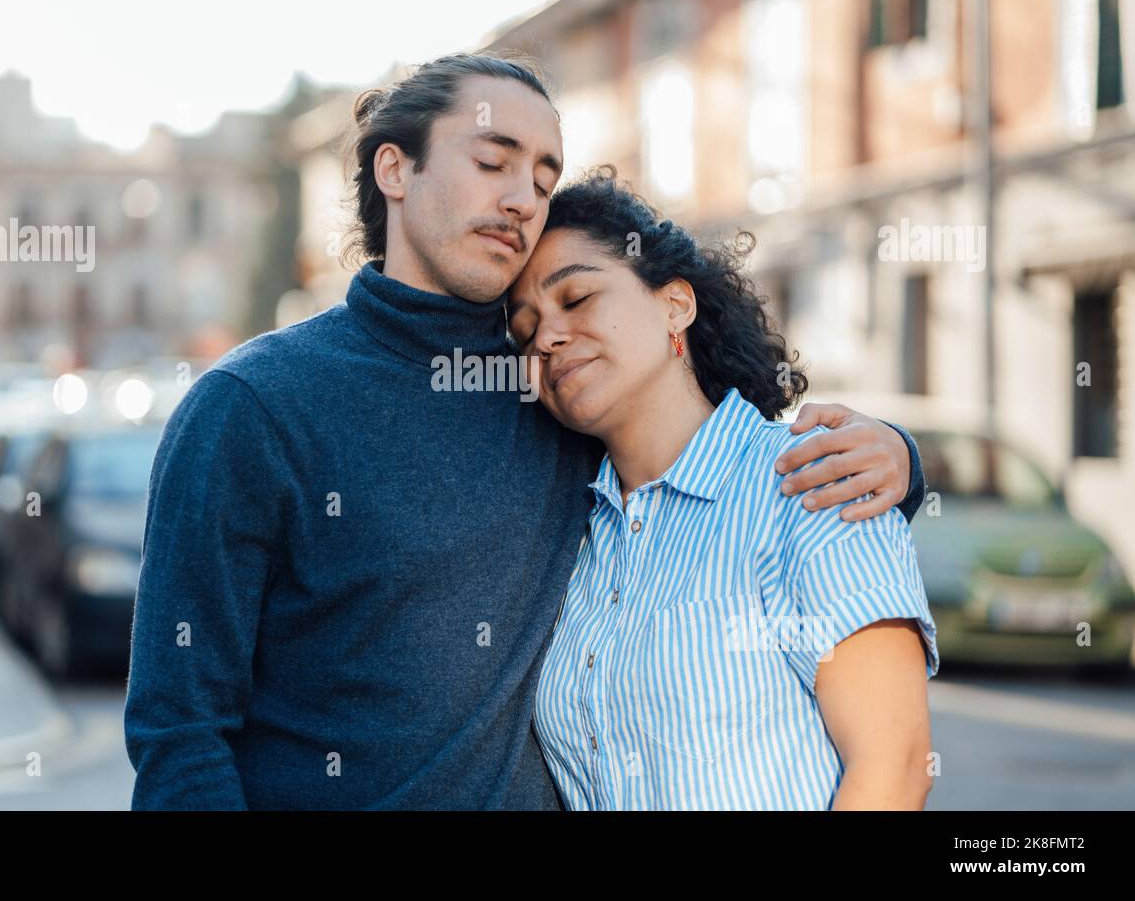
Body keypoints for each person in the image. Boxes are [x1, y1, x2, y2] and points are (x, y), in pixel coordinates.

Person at [123, 52, 927, 810]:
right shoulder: (251, 407)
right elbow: (181, 736)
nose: (522, 198)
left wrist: (899, 457)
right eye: (492, 160)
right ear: (396, 169)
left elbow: (700, 444)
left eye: (544, 179)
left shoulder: (557, 397)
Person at [508, 168, 940, 810]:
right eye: (524, 332)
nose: (547, 337)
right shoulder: (573, 532)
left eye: (575, 299)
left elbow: (894, 769)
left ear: (674, 304)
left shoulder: (810, 483)